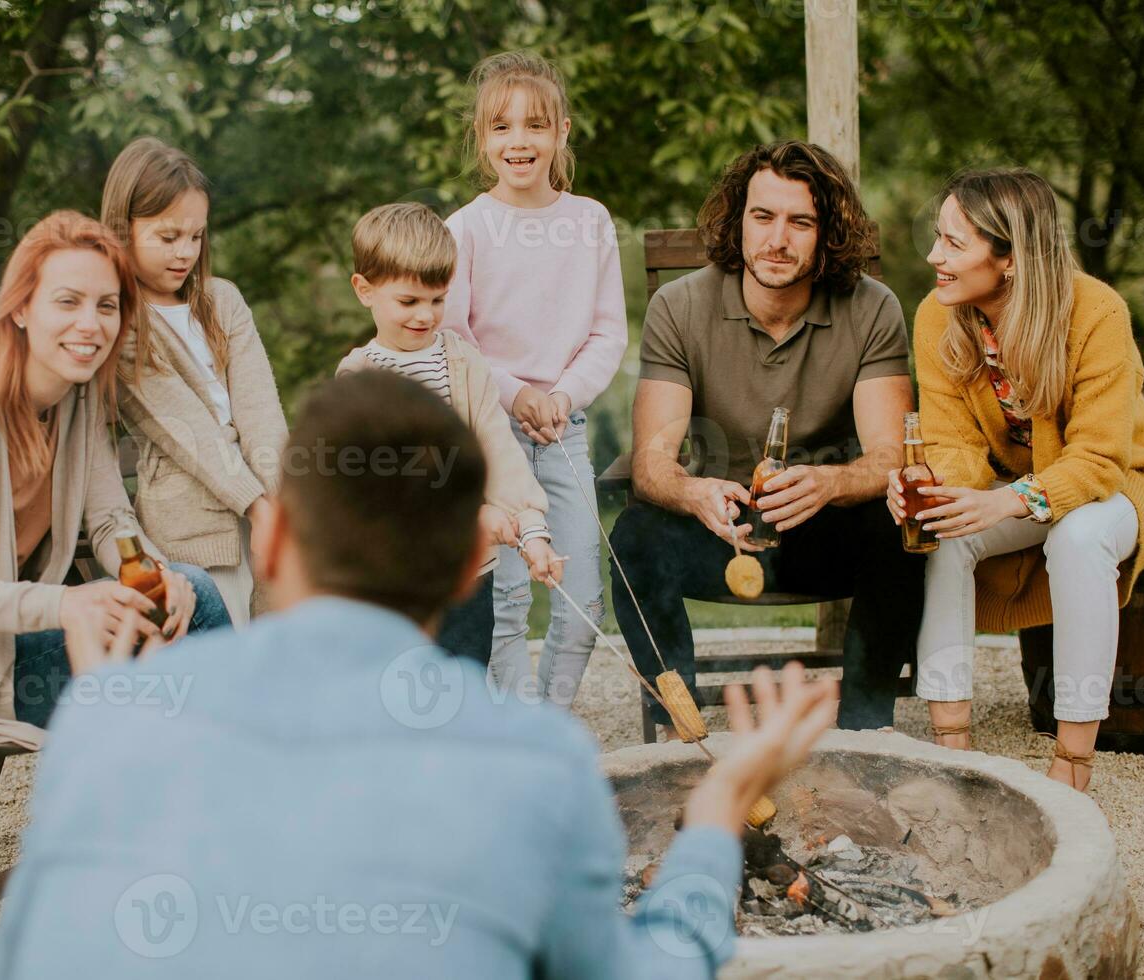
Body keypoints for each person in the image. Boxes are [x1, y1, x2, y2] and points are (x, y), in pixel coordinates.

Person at [0, 370, 839, 979]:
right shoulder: (538, 760)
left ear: (274, 542)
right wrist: (719, 816)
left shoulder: (104, 721)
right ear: (473, 558)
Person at [0, 211, 230, 792]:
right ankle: (227, 791)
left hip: (8, 646)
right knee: (191, 620)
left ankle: (196, 793)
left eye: (107, 306)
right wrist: (61, 607)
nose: (91, 324)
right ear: (21, 309)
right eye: (68, 301)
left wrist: (154, 576)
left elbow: (111, 523)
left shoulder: (77, 394)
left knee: (185, 594)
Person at [888, 168, 1144, 790]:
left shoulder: (1095, 311)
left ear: (1009, 257)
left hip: (1126, 483)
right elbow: (951, 441)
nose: (934, 256)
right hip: (1021, 486)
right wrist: (934, 486)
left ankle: (1074, 761)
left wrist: (1007, 501)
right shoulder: (937, 315)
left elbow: (1098, 460)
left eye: (954, 243)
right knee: (946, 530)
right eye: (937, 238)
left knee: (1078, 537)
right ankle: (953, 748)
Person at [609, 139, 926, 735]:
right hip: (721, 527)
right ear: (739, 219)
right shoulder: (679, 307)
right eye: (763, 216)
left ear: (826, 231)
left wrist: (831, 483)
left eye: (800, 221)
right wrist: (695, 493)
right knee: (636, 537)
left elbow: (889, 457)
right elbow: (653, 462)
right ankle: (680, 731)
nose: (777, 239)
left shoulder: (873, 308)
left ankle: (866, 731)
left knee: (899, 523)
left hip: (823, 526)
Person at [440, 50, 628, 706]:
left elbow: (608, 334)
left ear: (562, 132)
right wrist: (515, 393)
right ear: (482, 137)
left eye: (535, 125)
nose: (519, 141)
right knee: (509, 597)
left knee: (584, 601)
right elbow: (454, 341)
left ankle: (549, 723)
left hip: (563, 429)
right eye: (501, 127)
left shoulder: (590, 223)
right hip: (492, 431)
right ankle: (515, 731)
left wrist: (560, 395)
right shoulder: (463, 230)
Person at [338, 202, 562, 668]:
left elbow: (495, 446)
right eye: (409, 301)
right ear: (365, 290)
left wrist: (531, 529)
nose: (426, 315)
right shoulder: (359, 376)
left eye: (437, 300)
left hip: (467, 575)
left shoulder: (461, 361)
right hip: (396, 584)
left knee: (465, 688)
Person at [103, 136, 289, 626]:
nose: (185, 252)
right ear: (123, 231)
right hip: (192, 529)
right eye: (167, 238)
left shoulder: (222, 301)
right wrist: (257, 507)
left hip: (264, 511)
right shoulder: (123, 323)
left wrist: (280, 502)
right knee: (223, 669)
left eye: (196, 236)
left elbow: (260, 410)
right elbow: (188, 433)